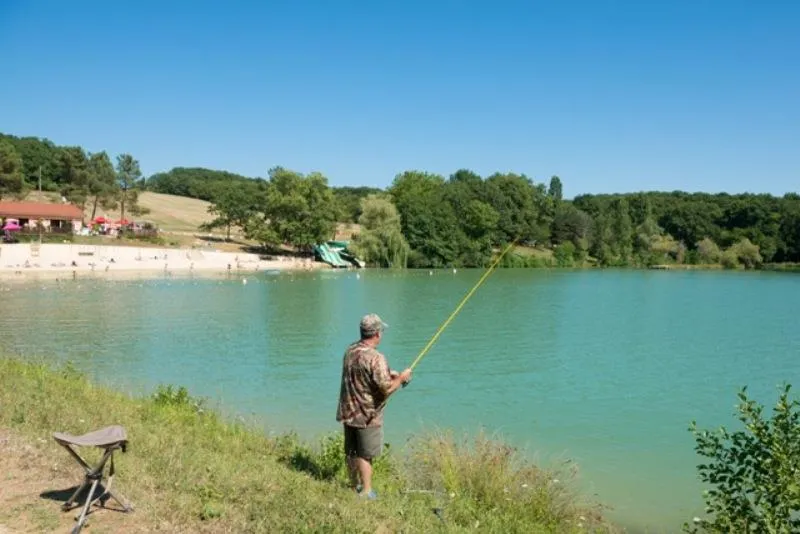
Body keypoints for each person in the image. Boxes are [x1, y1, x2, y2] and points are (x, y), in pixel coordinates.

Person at [336, 313, 412, 500]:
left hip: (348, 411)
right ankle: (367, 491)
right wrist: (401, 378)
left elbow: (362, 374)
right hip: (367, 414)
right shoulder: (376, 357)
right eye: (381, 331)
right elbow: (386, 389)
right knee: (365, 454)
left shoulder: (351, 350)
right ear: (377, 333)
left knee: (351, 451)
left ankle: (353, 487)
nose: (381, 335)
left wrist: (389, 373)